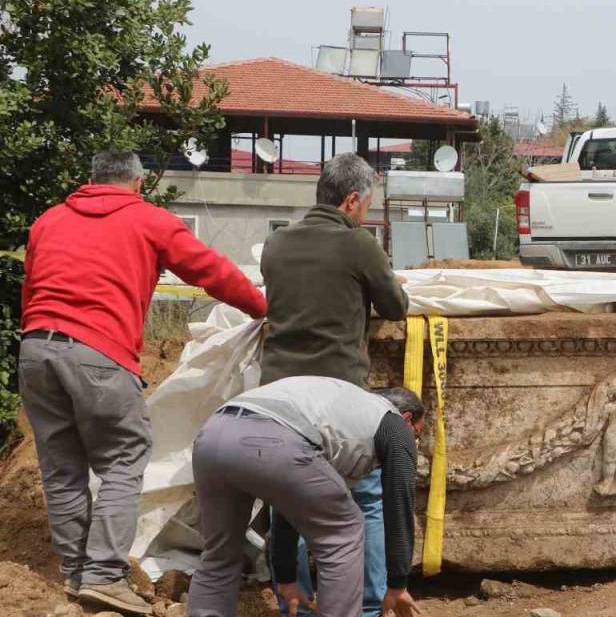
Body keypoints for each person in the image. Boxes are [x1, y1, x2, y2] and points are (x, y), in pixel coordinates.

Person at [19, 151, 266, 614]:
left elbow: (32, 289)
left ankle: (76, 574)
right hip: (98, 349)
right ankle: (105, 575)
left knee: (62, 466)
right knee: (122, 455)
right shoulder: (148, 219)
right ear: (137, 183)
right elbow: (210, 271)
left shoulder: (49, 220)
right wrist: (260, 308)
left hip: (35, 349)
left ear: (90, 181)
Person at [259, 152, 409, 617]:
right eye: (366, 204)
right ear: (350, 201)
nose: (365, 212)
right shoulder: (357, 244)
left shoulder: (277, 244)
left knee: (290, 504)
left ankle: (297, 606)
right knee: (364, 498)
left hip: (276, 395)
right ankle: (368, 606)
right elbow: (396, 305)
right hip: (336, 393)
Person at [186, 378, 425, 617]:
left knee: (220, 554)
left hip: (213, 435)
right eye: (417, 434)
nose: (414, 442)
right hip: (273, 439)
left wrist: (287, 578)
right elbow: (399, 501)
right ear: (407, 418)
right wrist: (398, 583)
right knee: (344, 530)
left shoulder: (342, 411)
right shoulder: (393, 422)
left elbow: (289, 501)